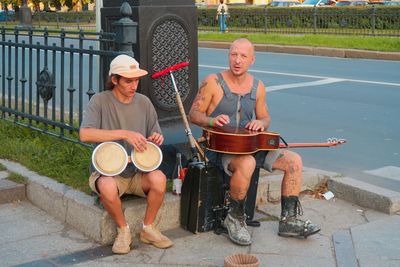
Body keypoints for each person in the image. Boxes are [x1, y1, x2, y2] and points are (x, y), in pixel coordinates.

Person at [188, 38, 320, 246]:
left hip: (251, 145)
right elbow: (193, 114)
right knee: (247, 162)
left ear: (252, 60)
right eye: (234, 55)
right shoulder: (213, 82)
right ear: (228, 56)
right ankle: (234, 218)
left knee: (294, 161)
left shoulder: (258, 87)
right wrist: (212, 120)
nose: (237, 60)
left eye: (243, 56)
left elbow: (266, 117)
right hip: (220, 148)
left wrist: (260, 122)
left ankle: (289, 221)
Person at [80, 54, 173, 254]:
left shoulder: (144, 103)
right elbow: (85, 134)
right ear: (115, 79)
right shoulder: (100, 101)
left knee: (159, 179)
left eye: (137, 80)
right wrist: (124, 134)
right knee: (106, 185)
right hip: (110, 172)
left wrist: (156, 137)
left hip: (139, 171)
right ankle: (123, 230)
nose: (134, 86)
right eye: (128, 81)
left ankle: (148, 228)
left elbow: (155, 132)